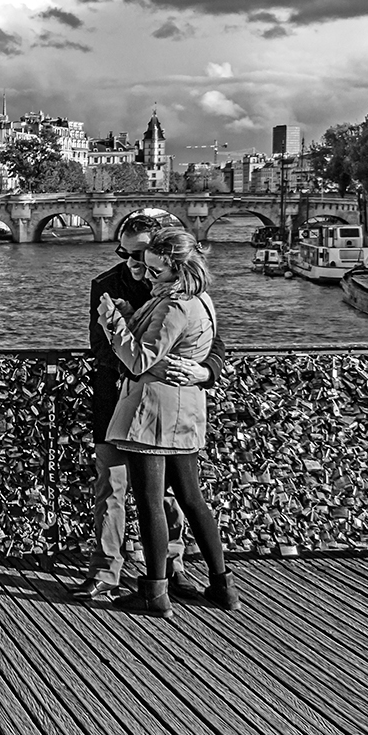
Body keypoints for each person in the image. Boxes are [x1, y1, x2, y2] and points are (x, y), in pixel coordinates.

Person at [71, 217, 225, 603]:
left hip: (154, 403)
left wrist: (203, 371)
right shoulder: (107, 285)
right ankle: (107, 572)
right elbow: (104, 352)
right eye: (127, 254)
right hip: (119, 401)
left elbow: (213, 344)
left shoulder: (177, 293)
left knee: (165, 497)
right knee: (114, 489)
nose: (136, 264)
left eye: (142, 255)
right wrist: (152, 356)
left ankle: (170, 573)